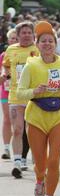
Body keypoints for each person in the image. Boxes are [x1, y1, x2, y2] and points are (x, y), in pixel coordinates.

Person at [17, 21, 60, 196]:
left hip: (58, 116)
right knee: (41, 162)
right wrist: (35, 90)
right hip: (36, 117)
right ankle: (40, 179)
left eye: (51, 41)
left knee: (54, 161)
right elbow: (20, 92)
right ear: (37, 44)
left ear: (55, 44)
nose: (48, 44)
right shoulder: (31, 66)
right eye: (43, 41)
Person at [2, 21, 39, 178]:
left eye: (29, 32)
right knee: (17, 129)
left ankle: (37, 162)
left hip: (34, 95)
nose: (26, 35)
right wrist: (7, 75)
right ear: (17, 35)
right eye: (23, 32)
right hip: (16, 95)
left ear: (33, 34)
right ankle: (17, 162)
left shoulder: (37, 49)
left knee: (34, 131)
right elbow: (7, 67)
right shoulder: (11, 49)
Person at [0, 29, 17, 159]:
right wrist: (4, 76)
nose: (14, 40)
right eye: (12, 38)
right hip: (6, 91)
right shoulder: (3, 55)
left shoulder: (28, 54)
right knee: (7, 119)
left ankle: (21, 150)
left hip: (21, 93)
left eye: (16, 38)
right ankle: (6, 148)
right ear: (8, 40)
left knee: (20, 122)